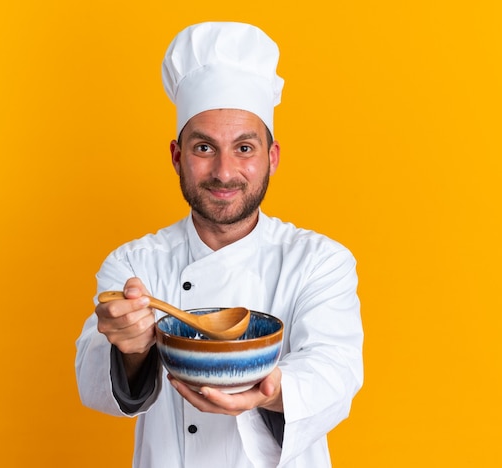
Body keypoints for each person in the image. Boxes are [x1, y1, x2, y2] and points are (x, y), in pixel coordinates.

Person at [75, 21, 363, 468]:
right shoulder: (134, 264)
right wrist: (128, 349)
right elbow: (92, 381)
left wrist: (270, 391)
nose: (225, 172)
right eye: (204, 148)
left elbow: (335, 369)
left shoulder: (320, 260)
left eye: (244, 148)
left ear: (272, 158)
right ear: (176, 156)